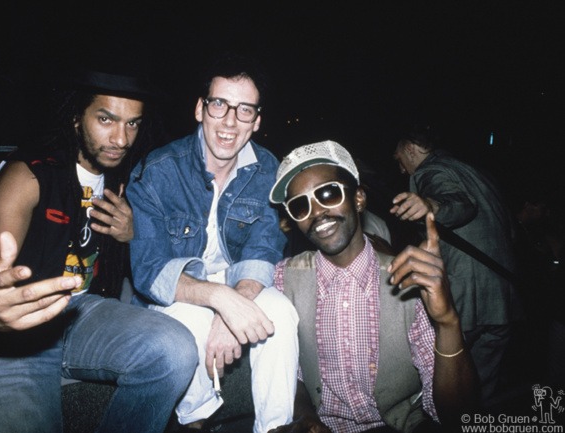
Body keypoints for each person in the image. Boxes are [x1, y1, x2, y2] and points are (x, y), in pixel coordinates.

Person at [0, 65, 198, 433]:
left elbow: (142, 266)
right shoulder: (28, 176)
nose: (121, 139)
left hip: (77, 314)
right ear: (77, 118)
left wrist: (132, 235)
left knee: (175, 351)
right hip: (10, 340)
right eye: (106, 119)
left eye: (133, 124)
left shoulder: (124, 179)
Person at [127, 52, 299, 433]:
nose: (229, 122)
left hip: (238, 281)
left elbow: (264, 248)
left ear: (256, 121)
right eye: (219, 104)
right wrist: (221, 302)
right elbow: (149, 272)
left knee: (281, 314)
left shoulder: (268, 168)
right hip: (176, 296)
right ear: (200, 109)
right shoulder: (157, 171)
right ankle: (197, 421)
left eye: (244, 110)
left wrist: (231, 305)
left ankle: (275, 428)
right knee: (190, 321)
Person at [268, 140, 478, 433]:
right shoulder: (283, 279)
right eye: (300, 205)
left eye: (328, 193)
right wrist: (307, 418)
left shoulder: (410, 279)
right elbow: (289, 372)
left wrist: (447, 322)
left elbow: (459, 417)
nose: (317, 213)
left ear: (358, 199)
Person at [390, 126, 520, 407]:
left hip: (466, 299)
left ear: (412, 148)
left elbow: (461, 204)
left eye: (399, 159)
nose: (401, 170)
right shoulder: (477, 173)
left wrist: (430, 204)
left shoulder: (429, 172)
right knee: (482, 391)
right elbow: (509, 229)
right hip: (503, 297)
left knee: (447, 386)